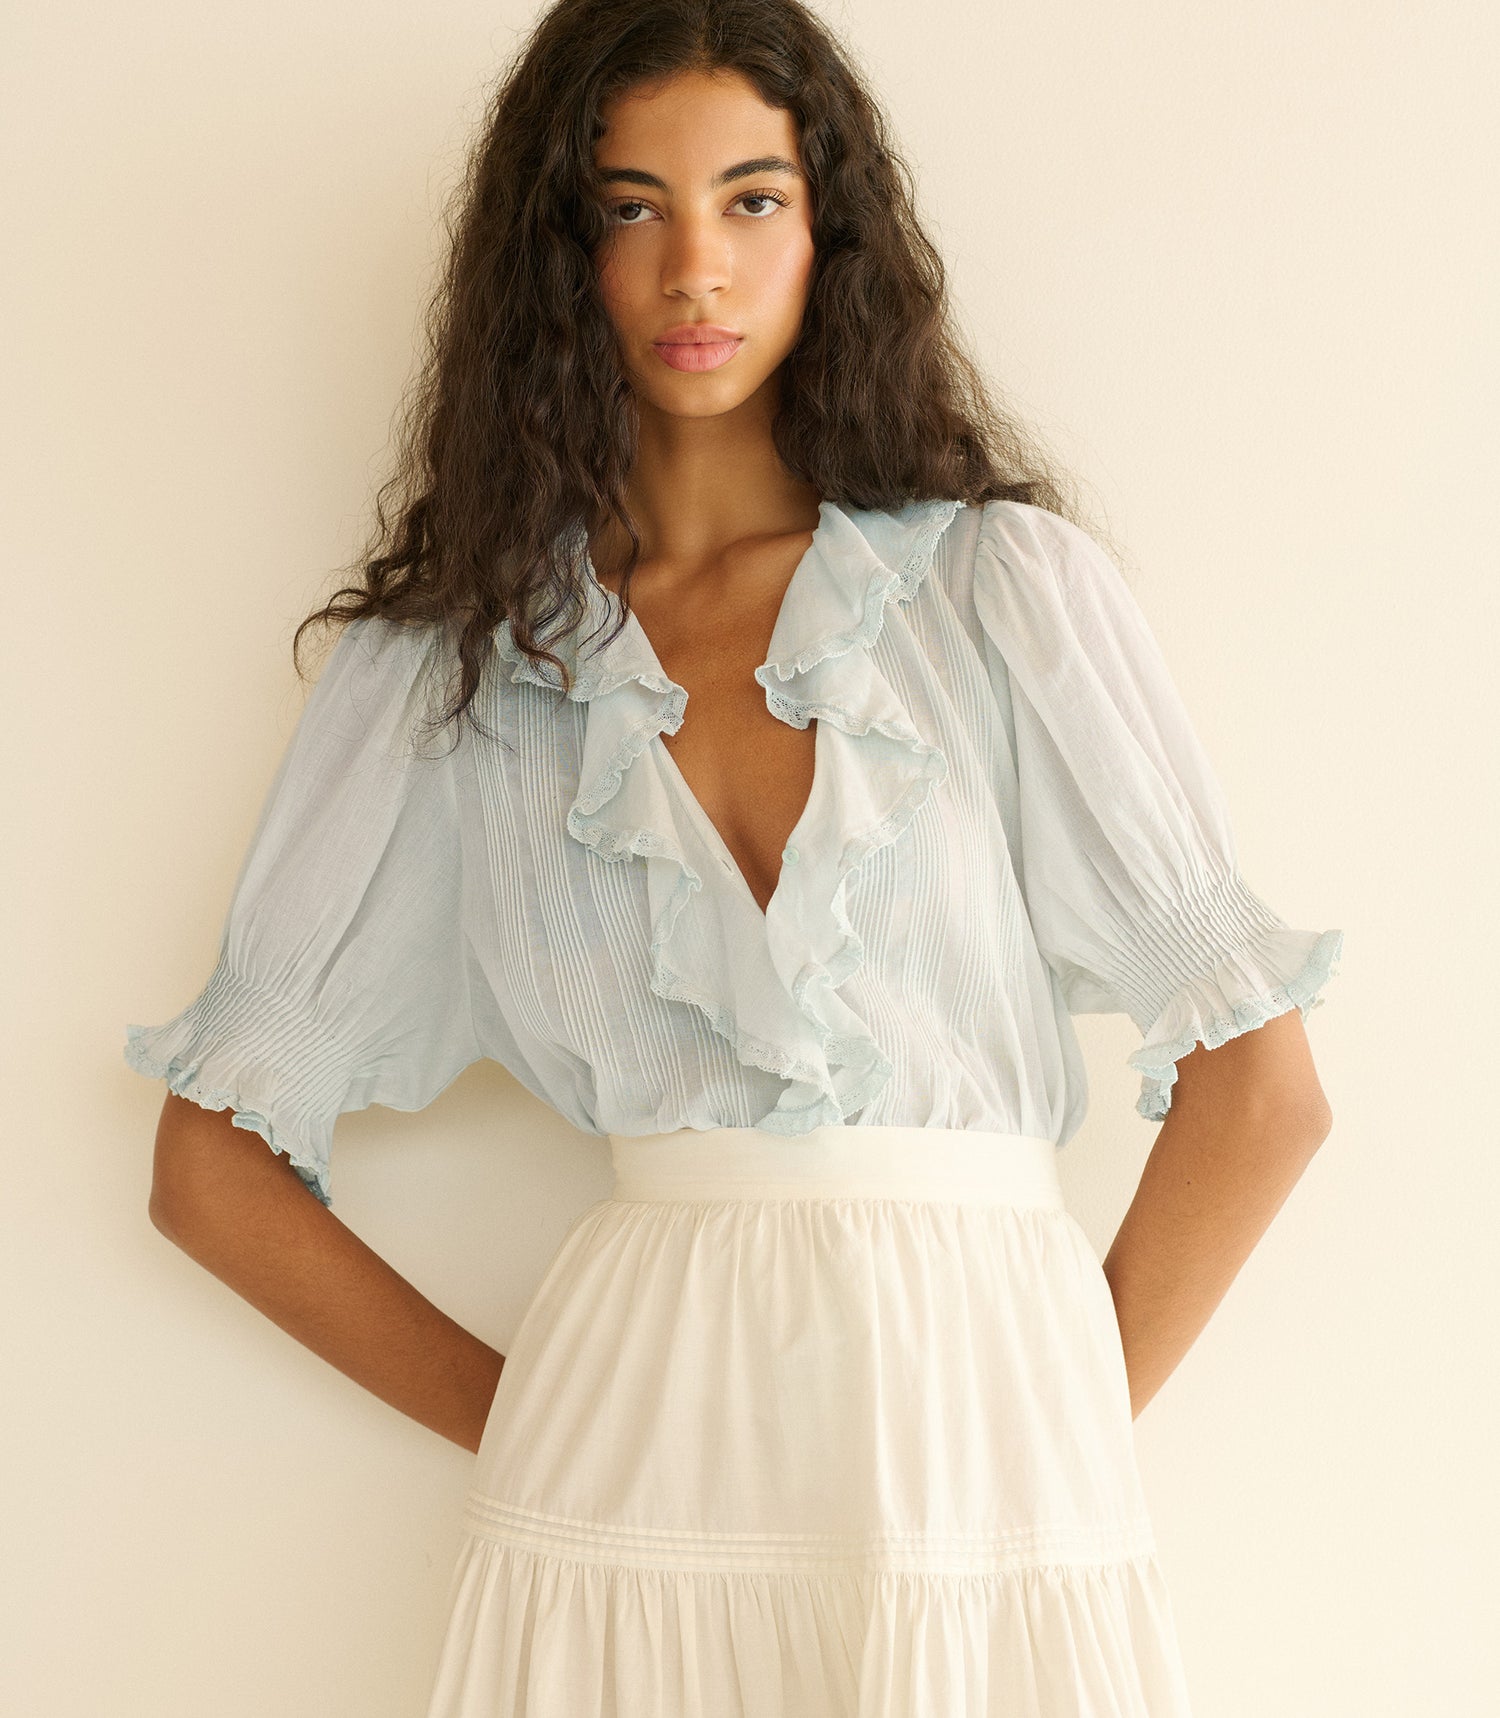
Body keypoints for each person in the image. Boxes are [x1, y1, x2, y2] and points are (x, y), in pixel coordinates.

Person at [124, 1, 1344, 1711]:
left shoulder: (1002, 599)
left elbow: (1262, 1089)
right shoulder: (466, 667)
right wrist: (544, 1424)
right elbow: (208, 1173)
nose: (695, 267)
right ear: (563, 255)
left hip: (986, 1445)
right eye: (633, 208)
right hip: (629, 1462)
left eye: (751, 199)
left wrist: (1050, 1425)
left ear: (827, 228)